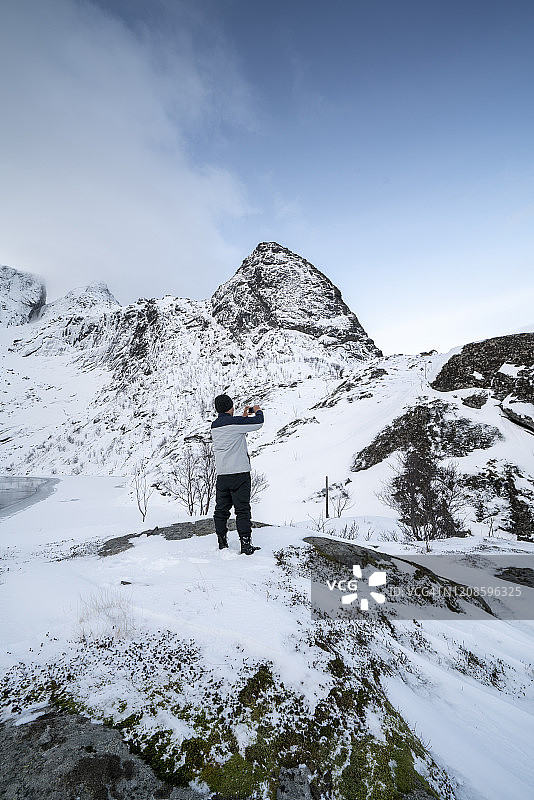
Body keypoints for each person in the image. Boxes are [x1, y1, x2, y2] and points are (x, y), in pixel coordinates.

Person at [211, 394, 264, 555]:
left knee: (221, 510)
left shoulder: (215, 425)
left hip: (222, 474)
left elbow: (233, 430)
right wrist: (257, 410)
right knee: (242, 510)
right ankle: (246, 545)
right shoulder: (234, 423)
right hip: (239, 473)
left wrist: (242, 418)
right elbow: (258, 423)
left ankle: (222, 542)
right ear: (230, 408)